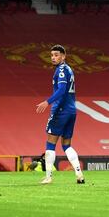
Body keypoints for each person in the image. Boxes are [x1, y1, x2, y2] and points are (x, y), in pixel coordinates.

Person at [35, 45, 84, 185]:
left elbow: (62, 89)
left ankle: (48, 177)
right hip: (71, 110)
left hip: (60, 110)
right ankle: (79, 173)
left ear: (63, 56)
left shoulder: (61, 69)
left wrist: (47, 102)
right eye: (51, 55)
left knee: (50, 143)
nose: (53, 58)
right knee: (66, 145)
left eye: (56, 55)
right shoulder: (69, 69)